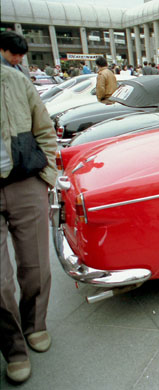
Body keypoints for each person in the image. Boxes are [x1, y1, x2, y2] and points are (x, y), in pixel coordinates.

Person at [1, 64, 58, 384]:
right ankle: (13, 347)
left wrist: (45, 177)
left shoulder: (14, 80)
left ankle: (35, 324)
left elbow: (44, 130)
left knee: (36, 266)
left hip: (25, 184)